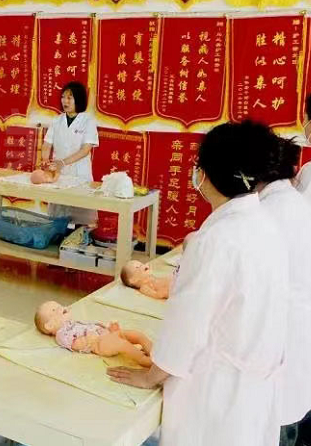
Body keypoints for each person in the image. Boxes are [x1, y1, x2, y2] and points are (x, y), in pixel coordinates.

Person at [107, 121, 289, 446]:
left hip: (217, 393)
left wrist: (152, 375)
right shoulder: (264, 224)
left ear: (208, 174)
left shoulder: (218, 240)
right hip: (252, 387)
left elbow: (187, 325)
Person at [250, 133, 311, 446]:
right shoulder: (288, 201)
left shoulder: (270, 213)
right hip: (292, 339)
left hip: (281, 347)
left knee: (278, 430)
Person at [41, 81, 99, 226]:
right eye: (63, 97)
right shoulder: (57, 120)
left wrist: (63, 162)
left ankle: (80, 237)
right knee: (58, 218)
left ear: (78, 99)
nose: (65, 101)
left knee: (81, 219)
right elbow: (47, 143)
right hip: (59, 174)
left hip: (80, 174)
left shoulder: (88, 121)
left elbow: (85, 150)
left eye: (69, 97)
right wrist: (44, 159)